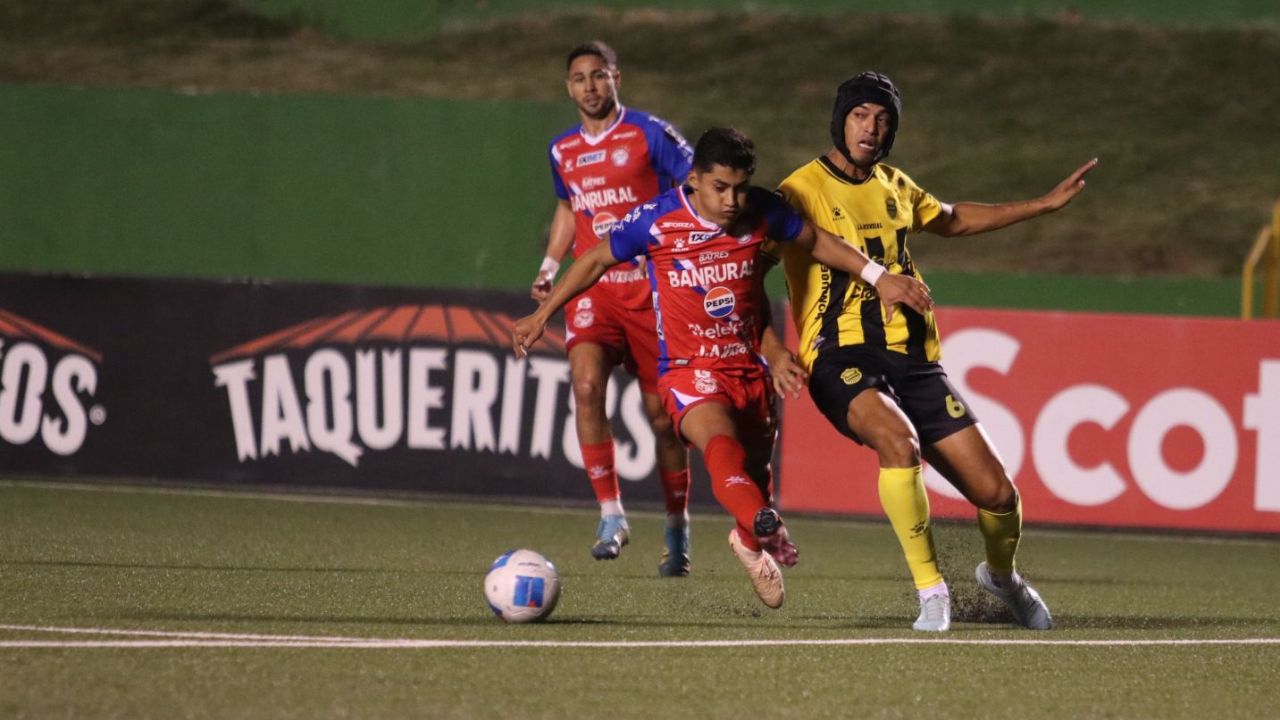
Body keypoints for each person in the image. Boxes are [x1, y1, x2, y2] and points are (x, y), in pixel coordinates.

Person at [514, 127, 933, 609]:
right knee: (718, 442)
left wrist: (879, 277)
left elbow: (817, 241)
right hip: (689, 370)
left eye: (740, 187)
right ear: (694, 180)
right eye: (720, 188)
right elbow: (594, 260)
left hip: (748, 368)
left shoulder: (762, 210)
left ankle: (749, 538)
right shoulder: (657, 219)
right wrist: (543, 315)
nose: (732, 200)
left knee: (755, 471)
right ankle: (762, 524)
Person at [766, 71, 1097, 630]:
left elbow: (953, 218)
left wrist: (1041, 205)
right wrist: (775, 348)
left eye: (882, 119)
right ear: (839, 120)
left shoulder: (895, 184)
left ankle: (1001, 578)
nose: (870, 128)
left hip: (913, 359)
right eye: (860, 115)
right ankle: (931, 591)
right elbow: (750, 272)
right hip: (838, 356)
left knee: (998, 495)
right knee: (899, 442)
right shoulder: (798, 191)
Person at [534, 42, 696, 575]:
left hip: (651, 291)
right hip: (593, 290)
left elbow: (697, 187)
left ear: (616, 78)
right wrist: (551, 265)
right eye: (579, 78)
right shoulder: (562, 149)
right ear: (568, 87)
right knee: (584, 386)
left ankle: (677, 527)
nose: (589, 87)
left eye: (598, 76)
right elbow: (568, 207)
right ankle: (611, 514)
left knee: (662, 421)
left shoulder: (651, 133)